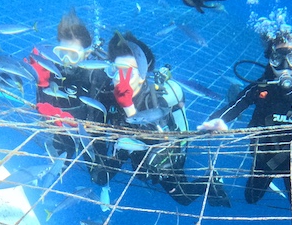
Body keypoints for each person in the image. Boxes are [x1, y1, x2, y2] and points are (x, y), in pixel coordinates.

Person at [199, 30, 292, 212]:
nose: (285, 66)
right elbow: (237, 104)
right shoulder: (261, 86)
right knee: (251, 198)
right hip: (265, 158)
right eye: (278, 58)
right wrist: (218, 120)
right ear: (270, 59)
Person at [92, 31, 229, 207]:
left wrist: (129, 108)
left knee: (184, 198)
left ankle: (212, 180)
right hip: (127, 145)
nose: (120, 79)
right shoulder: (108, 94)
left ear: (143, 76)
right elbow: (98, 124)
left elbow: (159, 138)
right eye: (115, 71)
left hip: (163, 153)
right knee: (100, 178)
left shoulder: (156, 99)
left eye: (127, 72)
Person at [27, 7, 113, 161]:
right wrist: (40, 83)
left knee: (100, 177)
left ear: (86, 54)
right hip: (62, 127)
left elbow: (103, 120)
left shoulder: (96, 75)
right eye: (62, 53)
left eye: (73, 55)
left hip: (91, 133)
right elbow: (42, 106)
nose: (66, 61)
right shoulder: (51, 69)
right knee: (59, 165)